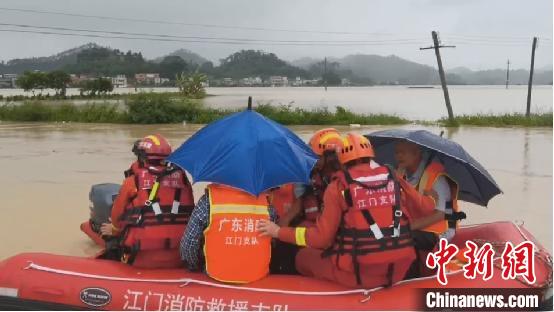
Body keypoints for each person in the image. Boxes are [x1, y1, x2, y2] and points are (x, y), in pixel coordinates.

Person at [258, 133, 436, 288]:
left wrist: (278, 232)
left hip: (359, 274)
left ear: (341, 159)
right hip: (398, 270)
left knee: (302, 256)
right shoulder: (393, 176)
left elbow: (321, 239)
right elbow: (427, 208)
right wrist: (432, 197)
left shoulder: (337, 187)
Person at [100, 134, 195, 268]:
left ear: (142, 158)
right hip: (178, 258)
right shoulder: (184, 181)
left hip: (141, 260)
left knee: (113, 237)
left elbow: (117, 214)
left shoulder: (132, 182)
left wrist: (114, 229)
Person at [180, 183, 278, 283]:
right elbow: (272, 241)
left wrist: (194, 266)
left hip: (215, 277)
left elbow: (189, 242)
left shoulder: (209, 200)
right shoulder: (266, 203)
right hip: (258, 278)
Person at [394, 140, 465, 276]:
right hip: (420, 226)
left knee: (404, 237)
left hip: (441, 230)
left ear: (416, 154)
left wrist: (410, 226)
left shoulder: (437, 179)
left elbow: (441, 214)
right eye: (397, 152)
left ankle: (410, 279)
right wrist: (396, 180)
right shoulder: (404, 176)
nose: (399, 156)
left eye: (403, 152)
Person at [277, 128, 343, 227]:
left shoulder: (344, 181)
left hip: (331, 229)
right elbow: (300, 199)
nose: (312, 160)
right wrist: (285, 221)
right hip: (316, 223)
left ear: (331, 158)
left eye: (317, 157)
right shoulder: (310, 171)